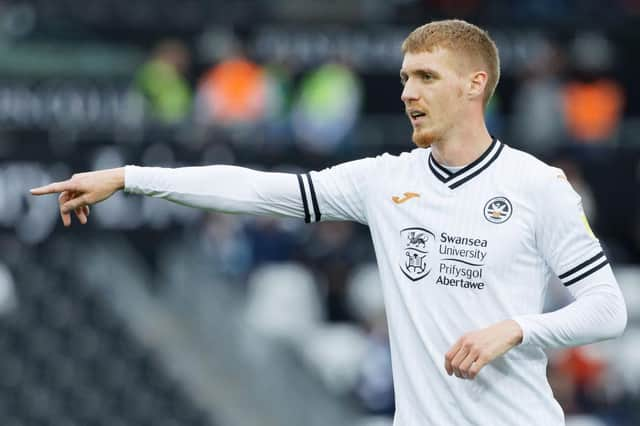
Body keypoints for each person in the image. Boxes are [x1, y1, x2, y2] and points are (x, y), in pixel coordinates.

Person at [31, 20, 627, 426]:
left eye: (426, 78)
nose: (407, 93)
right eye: (403, 78)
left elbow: (608, 308)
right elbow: (259, 189)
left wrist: (516, 329)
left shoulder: (537, 186)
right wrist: (133, 176)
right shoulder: (384, 180)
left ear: (476, 85)